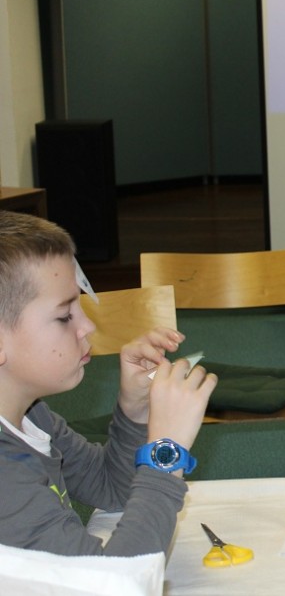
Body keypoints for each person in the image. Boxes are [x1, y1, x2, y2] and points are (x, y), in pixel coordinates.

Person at [0, 210, 217, 556]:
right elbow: (120, 580)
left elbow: (111, 488)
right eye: (64, 316)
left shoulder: (30, 414)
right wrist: (166, 452)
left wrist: (134, 411)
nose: (87, 326)